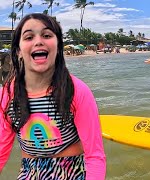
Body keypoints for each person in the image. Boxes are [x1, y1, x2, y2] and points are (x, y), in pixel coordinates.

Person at [0, 13, 106, 179]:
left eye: (47, 35)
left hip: (72, 171)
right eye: (28, 37)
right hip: (30, 172)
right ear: (18, 51)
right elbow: (1, 149)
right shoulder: (7, 94)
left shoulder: (76, 90)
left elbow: (95, 155)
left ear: (58, 47)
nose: (38, 41)